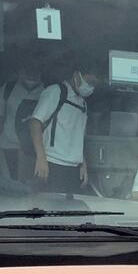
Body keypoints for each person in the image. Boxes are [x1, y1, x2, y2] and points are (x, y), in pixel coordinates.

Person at [30, 63, 99, 193]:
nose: (90, 87)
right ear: (76, 76)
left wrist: (83, 163)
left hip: (74, 169)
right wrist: (41, 158)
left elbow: (79, 137)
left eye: (94, 84)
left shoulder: (83, 103)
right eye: (89, 82)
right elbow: (35, 122)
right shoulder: (55, 92)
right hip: (51, 164)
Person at [0, 61, 44, 178]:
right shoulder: (8, 88)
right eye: (28, 71)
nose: (31, 74)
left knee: (32, 184)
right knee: (10, 181)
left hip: (35, 149)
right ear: (20, 72)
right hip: (9, 146)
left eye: (35, 70)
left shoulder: (47, 92)